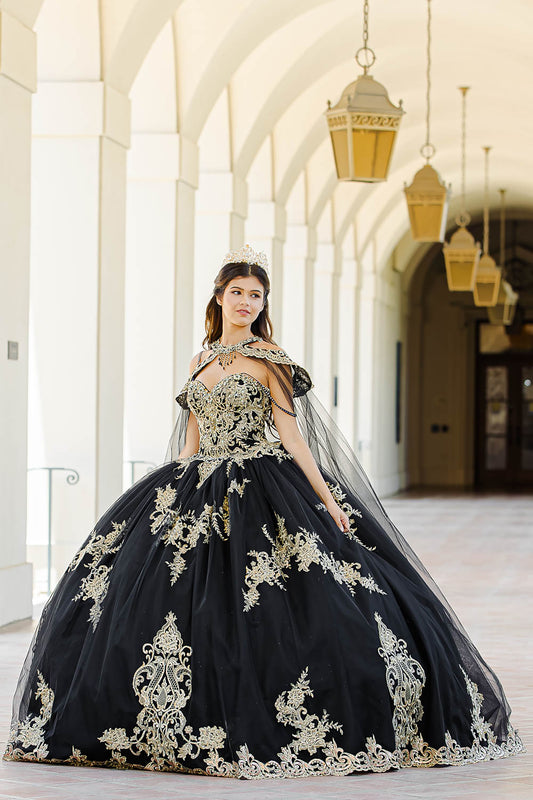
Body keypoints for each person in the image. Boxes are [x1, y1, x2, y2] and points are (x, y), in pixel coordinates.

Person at [4, 245, 524, 779]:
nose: (246, 303)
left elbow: (294, 439)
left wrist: (327, 501)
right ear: (219, 296)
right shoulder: (199, 360)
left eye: (256, 295)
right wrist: (158, 494)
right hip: (196, 483)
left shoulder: (270, 360)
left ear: (263, 303)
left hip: (263, 485)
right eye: (238, 293)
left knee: (288, 607)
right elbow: (192, 441)